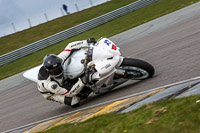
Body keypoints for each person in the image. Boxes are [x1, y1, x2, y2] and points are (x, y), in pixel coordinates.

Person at [37, 38, 96, 106]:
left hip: (59, 81)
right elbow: (69, 93)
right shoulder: (51, 85)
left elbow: (70, 46)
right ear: (49, 72)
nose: (58, 72)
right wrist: (83, 81)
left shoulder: (59, 60)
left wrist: (87, 42)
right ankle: (82, 93)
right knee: (74, 101)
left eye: (59, 69)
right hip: (51, 93)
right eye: (54, 72)